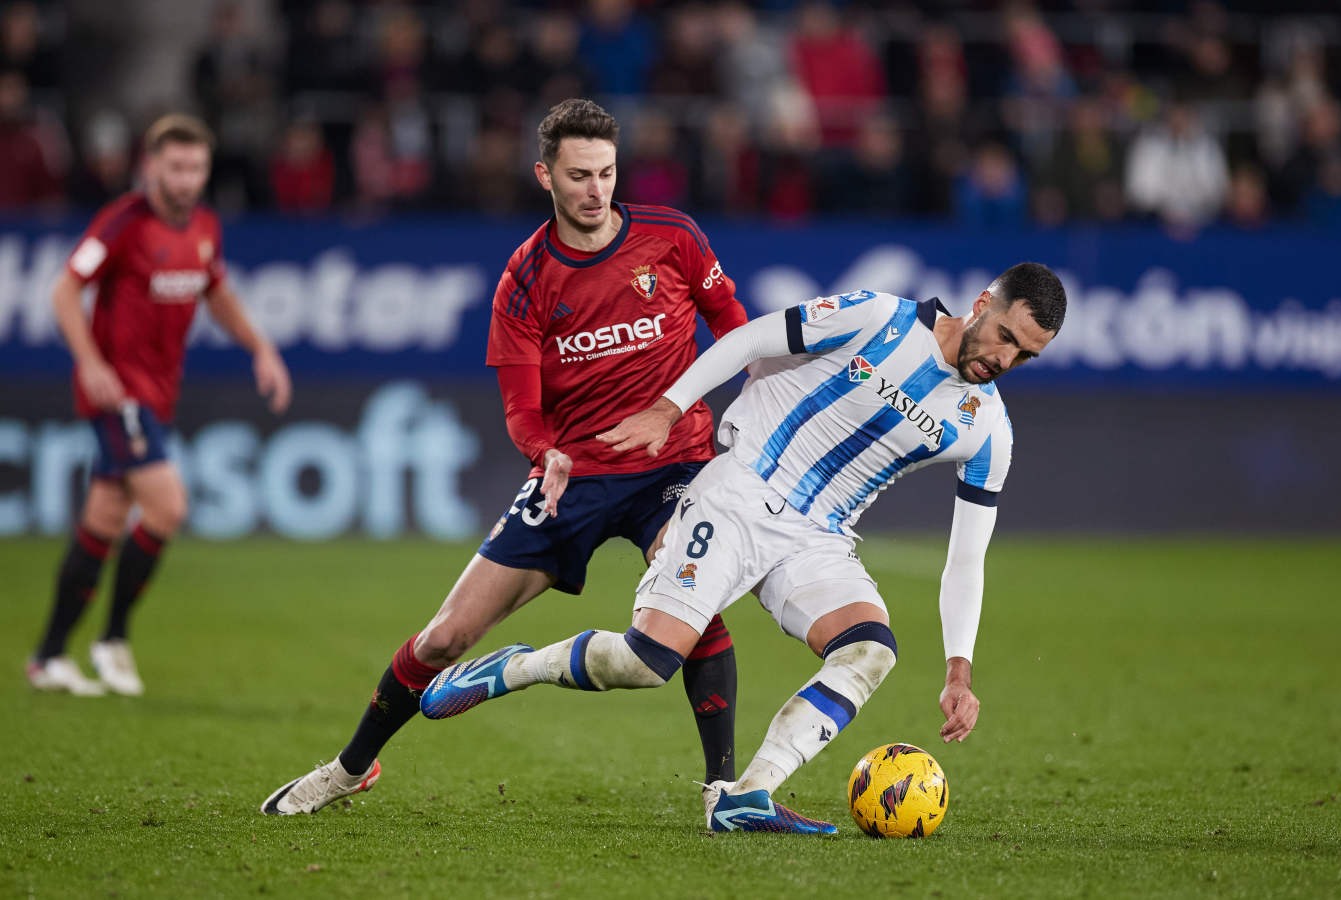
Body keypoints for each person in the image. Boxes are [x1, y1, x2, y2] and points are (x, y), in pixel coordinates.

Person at [420, 263, 1067, 834]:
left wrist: (960, 669)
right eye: (1007, 337)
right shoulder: (880, 318)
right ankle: (513, 667)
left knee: (870, 651)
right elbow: (752, 338)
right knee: (646, 662)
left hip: (818, 541)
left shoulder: (989, 431)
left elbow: (966, 557)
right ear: (982, 302)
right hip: (741, 489)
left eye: (1025, 357)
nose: (1004, 361)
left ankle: (748, 793)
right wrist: (671, 409)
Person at [262, 99, 749, 816]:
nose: (596, 190)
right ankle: (348, 768)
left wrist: (742, 409)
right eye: (579, 175)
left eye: (607, 173)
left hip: (674, 466)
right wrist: (545, 452)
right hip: (571, 478)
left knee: (689, 604)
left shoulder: (673, 239)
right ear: (544, 175)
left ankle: (723, 790)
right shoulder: (524, 279)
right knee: (446, 635)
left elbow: (734, 328)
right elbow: (523, 409)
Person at [26, 114, 292, 696]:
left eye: (196, 167)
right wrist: (92, 364)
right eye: (175, 167)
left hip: (157, 395)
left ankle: (48, 657)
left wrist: (259, 348)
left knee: (102, 518)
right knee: (168, 506)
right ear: (151, 166)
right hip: (117, 392)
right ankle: (112, 639)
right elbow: (64, 287)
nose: (186, 178)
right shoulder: (124, 222)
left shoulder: (204, 226)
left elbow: (215, 290)